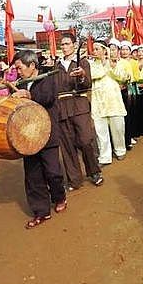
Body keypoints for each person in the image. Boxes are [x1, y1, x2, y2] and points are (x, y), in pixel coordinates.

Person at [11, 50, 67, 229]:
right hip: (27, 137)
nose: (18, 72)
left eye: (19, 68)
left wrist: (29, 96)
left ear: (32, 65)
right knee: (33, 175)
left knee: (53, 172)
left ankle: (59, 196)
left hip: (47, 133)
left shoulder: (47, 77)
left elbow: (48, 98)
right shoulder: (20, 83)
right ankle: (41, 211)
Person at [55, 34, 103, 189]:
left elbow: (87, 83)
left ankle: (94, 171)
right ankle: (74, 179)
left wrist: (82, 76)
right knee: (67, 145)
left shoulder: (82, 62)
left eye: (67, 44)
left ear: (74, 45)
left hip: (79, 106)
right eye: (62, 44)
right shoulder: (56, 66)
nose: (64, 47)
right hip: (62, 108)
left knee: (85, 140)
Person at [89, 40, 128, 165]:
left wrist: (112, 65)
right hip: (98, 101)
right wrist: (104, 65)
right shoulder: (91, 64)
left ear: (104, 50)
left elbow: (123, 77)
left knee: (118, 128)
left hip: (113, 101)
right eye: (94, 49)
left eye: (97, 49)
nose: (94, 52)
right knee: (100, 131)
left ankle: (120, 150)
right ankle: (105, 156)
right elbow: (93, 75)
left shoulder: (115, 62)